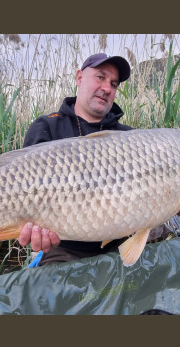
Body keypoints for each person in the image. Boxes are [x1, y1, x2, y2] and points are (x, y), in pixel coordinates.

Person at [17, 53, 133, 266]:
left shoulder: (129, 137)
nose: (107, 88)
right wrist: (31, 230)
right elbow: (24, 194)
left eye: (113, 84)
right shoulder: (47, 127)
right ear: (79, 78)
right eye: (100, 77)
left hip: (120, 245)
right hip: (63, 248)